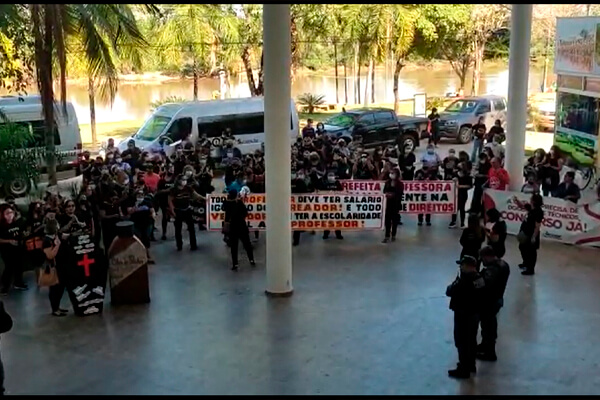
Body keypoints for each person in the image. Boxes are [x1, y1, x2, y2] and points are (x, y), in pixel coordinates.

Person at [446, 255, 485, 379]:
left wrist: (456, 282)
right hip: (474, 313)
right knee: (471, 341)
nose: (460, 267)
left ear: (468, 266)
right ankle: (470, 365)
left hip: (463, 313)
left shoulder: (465, 280)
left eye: (462, 265)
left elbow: (450, 291)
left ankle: (463, 368)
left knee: (461, 341)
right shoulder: (479, 278)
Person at [477, 246, 510, 362]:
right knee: (490, 325)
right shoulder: (504, 265)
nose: (482, 262)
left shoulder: (492, 269)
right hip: (497, 299)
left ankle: (489, 352)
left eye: (482, 258)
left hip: (489, 301)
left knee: (488, 327)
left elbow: (484, 285)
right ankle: (484, 345)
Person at [168, 175, 205, 252]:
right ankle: (179, 245)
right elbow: (170, 200)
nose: (184, 181)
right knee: (178, 229)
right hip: (178, 210)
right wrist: (172, 210)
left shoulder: (188, 188)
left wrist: (205, 198)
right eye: (182, 180)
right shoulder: (173, 190)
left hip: (187, 209)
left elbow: (196, 195)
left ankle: (193, 245)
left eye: (185, 179)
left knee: (191, 228)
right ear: (178, 181)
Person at [222, 189, 255, 271]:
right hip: (241, 226)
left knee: (234, 247)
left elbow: (223, 208)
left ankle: (235, 264)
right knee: (247, 244)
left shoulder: (227, 203)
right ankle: (251, 259)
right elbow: (245, 213)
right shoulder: (239, 203)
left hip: (232, 227)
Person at [42, 218, 68, 317]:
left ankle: (58, 307)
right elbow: (50, 255)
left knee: (60, 288)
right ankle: (55, 309)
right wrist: (57, 245)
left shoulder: (55, 237)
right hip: (51, 268)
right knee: (54, 290)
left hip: (60, 267)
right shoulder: (47, 241)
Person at [513, 193, 544, 276]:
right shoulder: (531, 208)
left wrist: (534, 236)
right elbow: (522, 206)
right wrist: (516, 201)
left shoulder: (538, 212)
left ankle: (530, 269)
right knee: (522, 247)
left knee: (531, 252)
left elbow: (537, 226)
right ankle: (525, 263)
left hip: (531, 234)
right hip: (525, 232)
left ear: (534, 201)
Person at [0, 204, 27, 295]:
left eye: (11, 212)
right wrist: (8, 241)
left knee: (19, 267)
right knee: (9, 268)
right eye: (7, 213)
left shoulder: (16, 223)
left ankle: (18, 283)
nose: (10, 214)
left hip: (18, 249)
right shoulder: (1, 226)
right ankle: (5, 286)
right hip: (7, 251)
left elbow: (20, 233)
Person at [319, 171, 344, 240]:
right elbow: (321, 192)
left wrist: (335, 193)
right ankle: (326, 234)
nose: (331, 177)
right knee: (327, 219)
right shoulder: (324, 183)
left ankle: (338, 234)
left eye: (332, 175)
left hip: (336, 204)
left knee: (337, 219)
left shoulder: (337, 183)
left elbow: (341, 191)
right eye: (329, 175)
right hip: (327, 205)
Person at [291, 169, 313, 246]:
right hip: (290, 205)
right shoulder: (287, 181)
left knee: (297, 222)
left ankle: (296, 240)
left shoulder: (300, 182)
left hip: (299, 205)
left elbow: (305, 192)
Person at [382, 168, 403, 243]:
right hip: (388, 204)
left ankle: (393, 235)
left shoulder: (400, 184)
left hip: (396, 204)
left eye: (393, 173)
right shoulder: (387, 182)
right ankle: (387, 236)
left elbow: (400, 193)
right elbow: (384, 191)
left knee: (394, 221)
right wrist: (387, 194)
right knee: (387, 221)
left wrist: (393, 195)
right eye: (390, 173)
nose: (391, 174)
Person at [450, 162, 473, 229]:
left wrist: (460, 186)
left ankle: (462, 222)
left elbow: (470, 185)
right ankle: (453, 221)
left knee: (462, 208)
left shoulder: (468, 176)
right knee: (455, 208)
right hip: (455, 194)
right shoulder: (454, 175)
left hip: (463, 193)